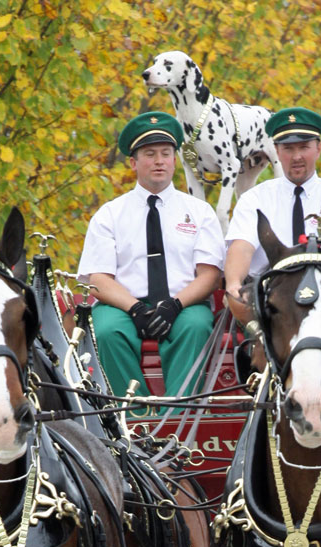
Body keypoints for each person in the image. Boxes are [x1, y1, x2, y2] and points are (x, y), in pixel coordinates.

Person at [78, 112, 225, 404]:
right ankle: (132, 420)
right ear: (133, 163)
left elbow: (209, 275)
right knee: (105, 330)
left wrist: (175, 305)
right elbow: (98, 280)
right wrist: (134, 309)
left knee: (197, 326)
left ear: (174, 160)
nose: (159, 161)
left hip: (184, 305)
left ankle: (175, 420)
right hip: (123, 306)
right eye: (149, 154)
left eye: (166, 154)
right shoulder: (109, 214)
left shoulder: (200, 212)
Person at [223, 107, 321, 324]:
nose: (297, 156)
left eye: (304, 147)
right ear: (276, 151)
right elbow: (241, 248)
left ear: (318, 148)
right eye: (288, 148)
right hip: (268, 298)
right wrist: (233, 284)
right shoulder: (255, 199)